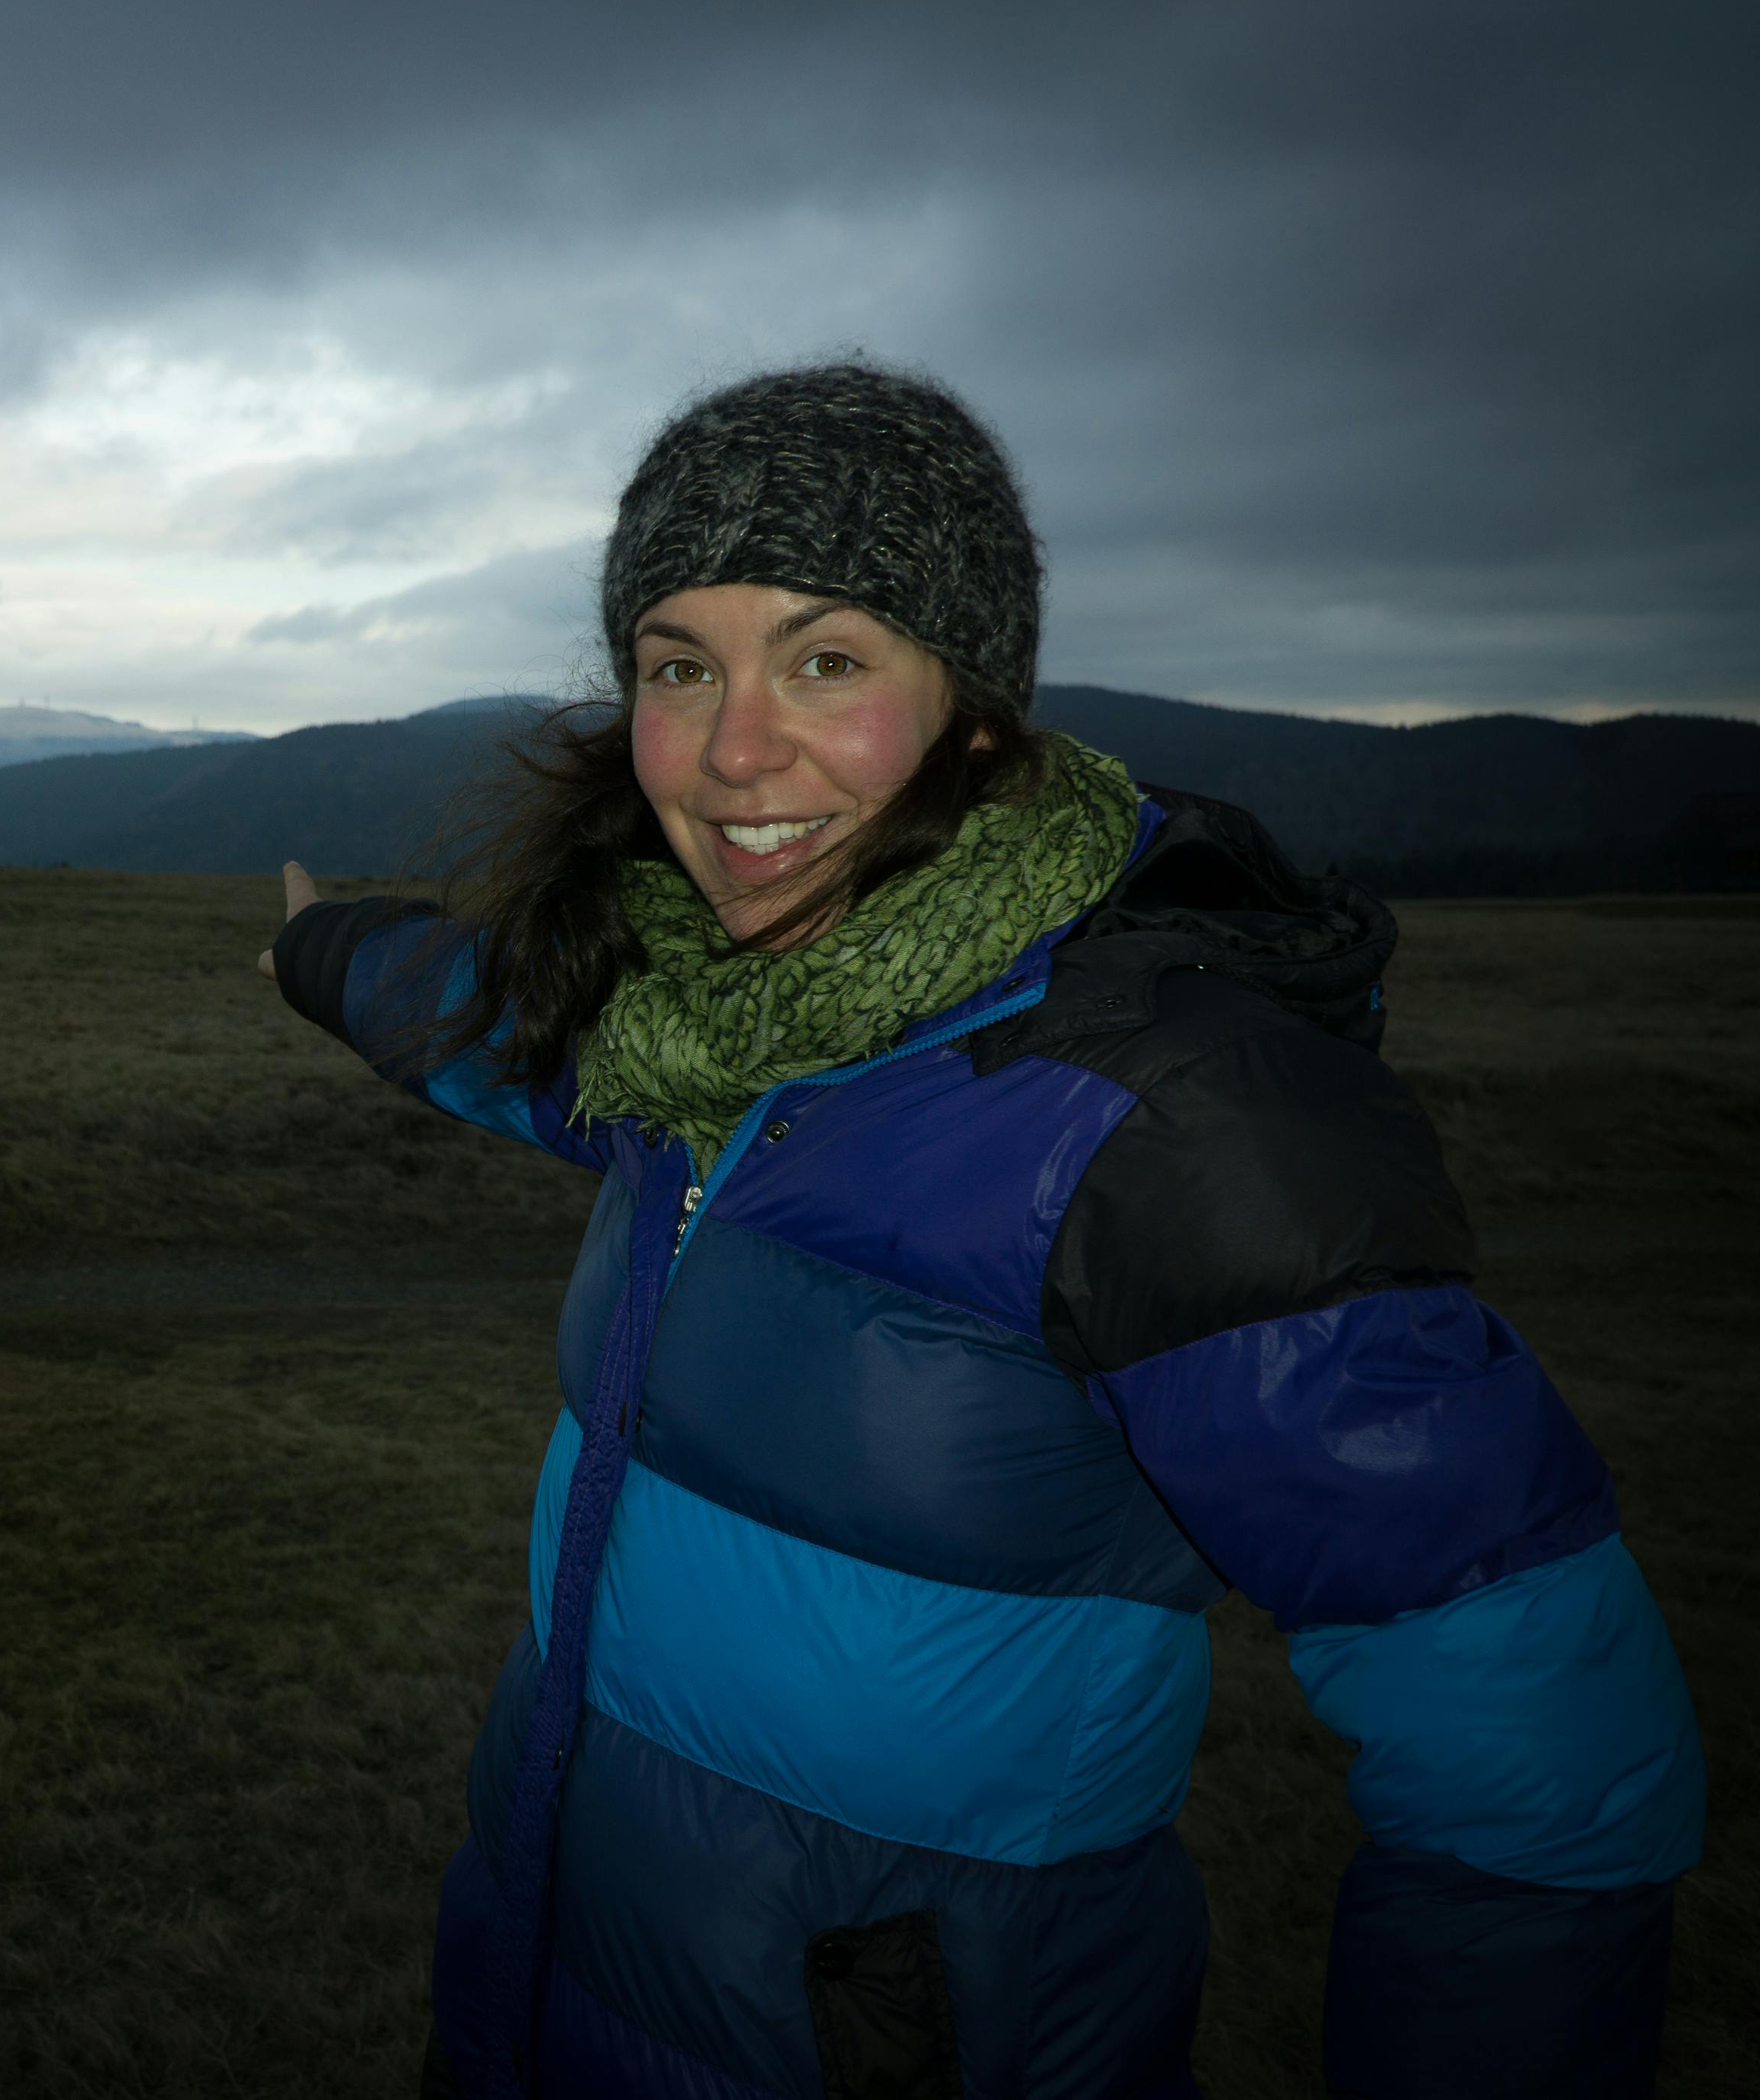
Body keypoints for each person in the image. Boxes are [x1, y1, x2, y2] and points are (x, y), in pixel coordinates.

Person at [258, 364, 1701, 2100]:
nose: (732, 750)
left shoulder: (1175, 1123)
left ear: (981, 718)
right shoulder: (692, 1029)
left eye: (826, 661)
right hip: (538, 1996)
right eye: (678, 666)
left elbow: (1543, 1763)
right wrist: (320, 954)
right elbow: (503, 1026)